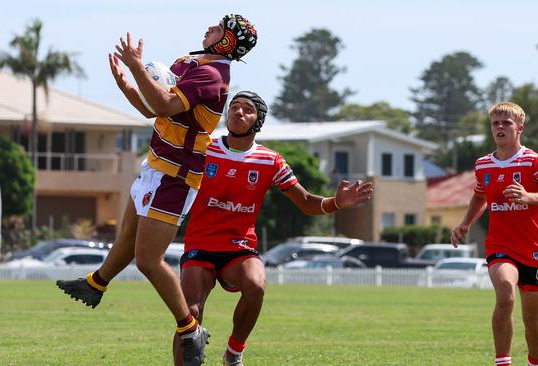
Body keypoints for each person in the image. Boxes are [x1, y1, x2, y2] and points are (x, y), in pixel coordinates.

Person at [55, 14, 258, 366]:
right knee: (127, 240)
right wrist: (128, 86)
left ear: (225, 42)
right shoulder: (194, 63)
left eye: (218, 28)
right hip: (157, 166)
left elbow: (164, 104)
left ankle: (190, 328)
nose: (209, 27)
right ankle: (95, 284)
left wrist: (137, 68)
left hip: (175, 178)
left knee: (149, 260)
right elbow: (155, 110)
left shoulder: (212, 76)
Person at [172, 91, 374, 366]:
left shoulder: (271, 161)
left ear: (258, 121)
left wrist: (336, 203)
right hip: (201, 245)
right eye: (235, 107)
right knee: (191, 312)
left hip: (239, 248)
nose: (238, 113)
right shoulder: (205, 148)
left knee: (256, 286)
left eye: (247, 110)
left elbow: (305, 202)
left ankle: (234, 352)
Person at [450, 102, 538, 366]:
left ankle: (534, 361)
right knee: (505, 294)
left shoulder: (534, 161)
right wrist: (466, 223)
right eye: (496, 123)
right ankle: (503, 362)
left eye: (506, 123)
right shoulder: (483, 165)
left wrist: (529, 196)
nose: (500, 127)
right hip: (499, 245)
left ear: (520, 128)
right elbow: (479, 196)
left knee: (533, 321)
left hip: (534, 249)